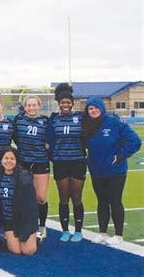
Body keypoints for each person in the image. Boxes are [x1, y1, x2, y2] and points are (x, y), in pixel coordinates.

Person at [82, 96, 141, 245]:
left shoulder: (114, 122)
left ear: (102, 108)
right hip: (97, 170)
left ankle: (118, 235)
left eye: (96, 107)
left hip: (116, 170)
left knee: (115, 200)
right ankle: (102, 232)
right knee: (102, 201)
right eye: (90, 108)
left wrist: (120, 156)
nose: (93, 110)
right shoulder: (87, 125)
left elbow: (135, 141)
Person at [48, 83, 86, 243]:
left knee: (76, 198)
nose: (65, 105)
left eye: (68, 102)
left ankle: (78, 231)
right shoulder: (53, 119)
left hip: (78, 162)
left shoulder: (81, 118)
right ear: (59, 104)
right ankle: (65, 230)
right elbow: (48, 139)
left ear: (72, 103)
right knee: (64, 198)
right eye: (62, 102)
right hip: (60, 163)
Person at [12, 95, 50, 240]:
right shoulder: (18, 120)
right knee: (24, 197)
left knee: (40, 197)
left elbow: (49, 140)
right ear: (25, 107)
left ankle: (42, 225)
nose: (32, 108)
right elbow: (15, 137)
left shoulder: (45, 121)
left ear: (39, 106)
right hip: (24, 162)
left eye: (34, 105)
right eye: (29, 105)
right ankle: (26, 224)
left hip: (41, 162)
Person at [0, 147, 38, 255]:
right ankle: (9, 238)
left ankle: (35, 238)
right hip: (9, 220)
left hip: (24, 220)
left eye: (12, 159)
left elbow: (32, 206)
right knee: (16, 250)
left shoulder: (24, 177)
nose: (8, 161)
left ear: (16, 161)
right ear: (1, 160)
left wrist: (29, 226)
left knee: (28, 251)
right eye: (6, 158)